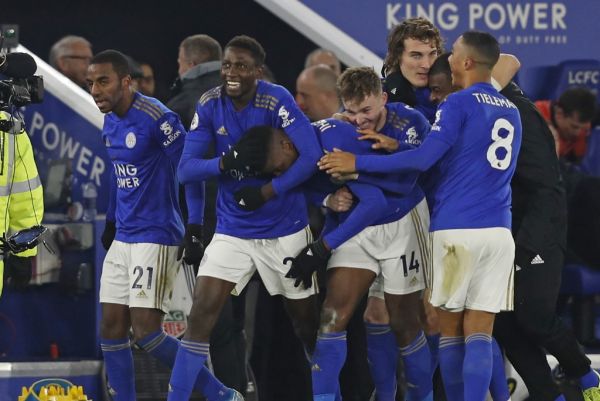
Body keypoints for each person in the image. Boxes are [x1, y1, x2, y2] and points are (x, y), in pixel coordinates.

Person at [319, 31, 522, 401]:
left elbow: (424, 160)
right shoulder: (511, 109)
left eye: (451, 53)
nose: (435, 65)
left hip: (454, 230)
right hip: (499, 231)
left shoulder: (456, 104)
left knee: (448, 332)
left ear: (466, 62)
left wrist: (356, 164)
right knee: (480, 331)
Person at [167, 35, 322, 401]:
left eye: (241, 66)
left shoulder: (276, 99)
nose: (232, 73)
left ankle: (330, 393)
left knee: (306, 324)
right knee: (201, 315)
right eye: (227, 65)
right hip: (232, 229)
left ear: (257, 71)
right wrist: (225, 163)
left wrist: (268, 191)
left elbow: (311, 154)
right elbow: (186, 171)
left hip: (284, 228)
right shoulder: (209, 104)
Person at [86, 49, 234, 401]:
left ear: (127, 81)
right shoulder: (109, 119)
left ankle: (222, 395)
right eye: (90, 83)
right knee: (110, 329)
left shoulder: (158, 118)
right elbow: (119, 176)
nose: (95, 90)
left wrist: (195, 226)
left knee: (148, 332)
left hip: (156, 235)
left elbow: (190, 170)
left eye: (102, 81)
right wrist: (110, 220)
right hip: (124, 237)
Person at [333, 66, 431, 401]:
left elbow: (409, 179)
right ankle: (385, 395)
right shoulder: (338, 127)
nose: (359, 120)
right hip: (368, 228)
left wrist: (388, 152)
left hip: (407, 222)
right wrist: (330, 196)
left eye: (367, 111)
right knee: (373, 314)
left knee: (408, 322)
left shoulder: (411, 122)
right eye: (351, 111)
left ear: (384, 99)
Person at [0, 111, 44, 295]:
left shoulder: (11, 130)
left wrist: (24, 253)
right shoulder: (9, 129)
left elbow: (25, 195)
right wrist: (23, 255)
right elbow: (26, 197)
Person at [167, 34, 223, 129]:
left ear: (191, 65)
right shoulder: (247, 89)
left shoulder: (180, 106)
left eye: (180, 63)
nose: (179, 71)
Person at [535, 87, 597, 162]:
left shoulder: (585, 120)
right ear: (559, 114)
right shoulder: (535, 119)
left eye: (584, 129)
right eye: (574, 127)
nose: (578, 133)